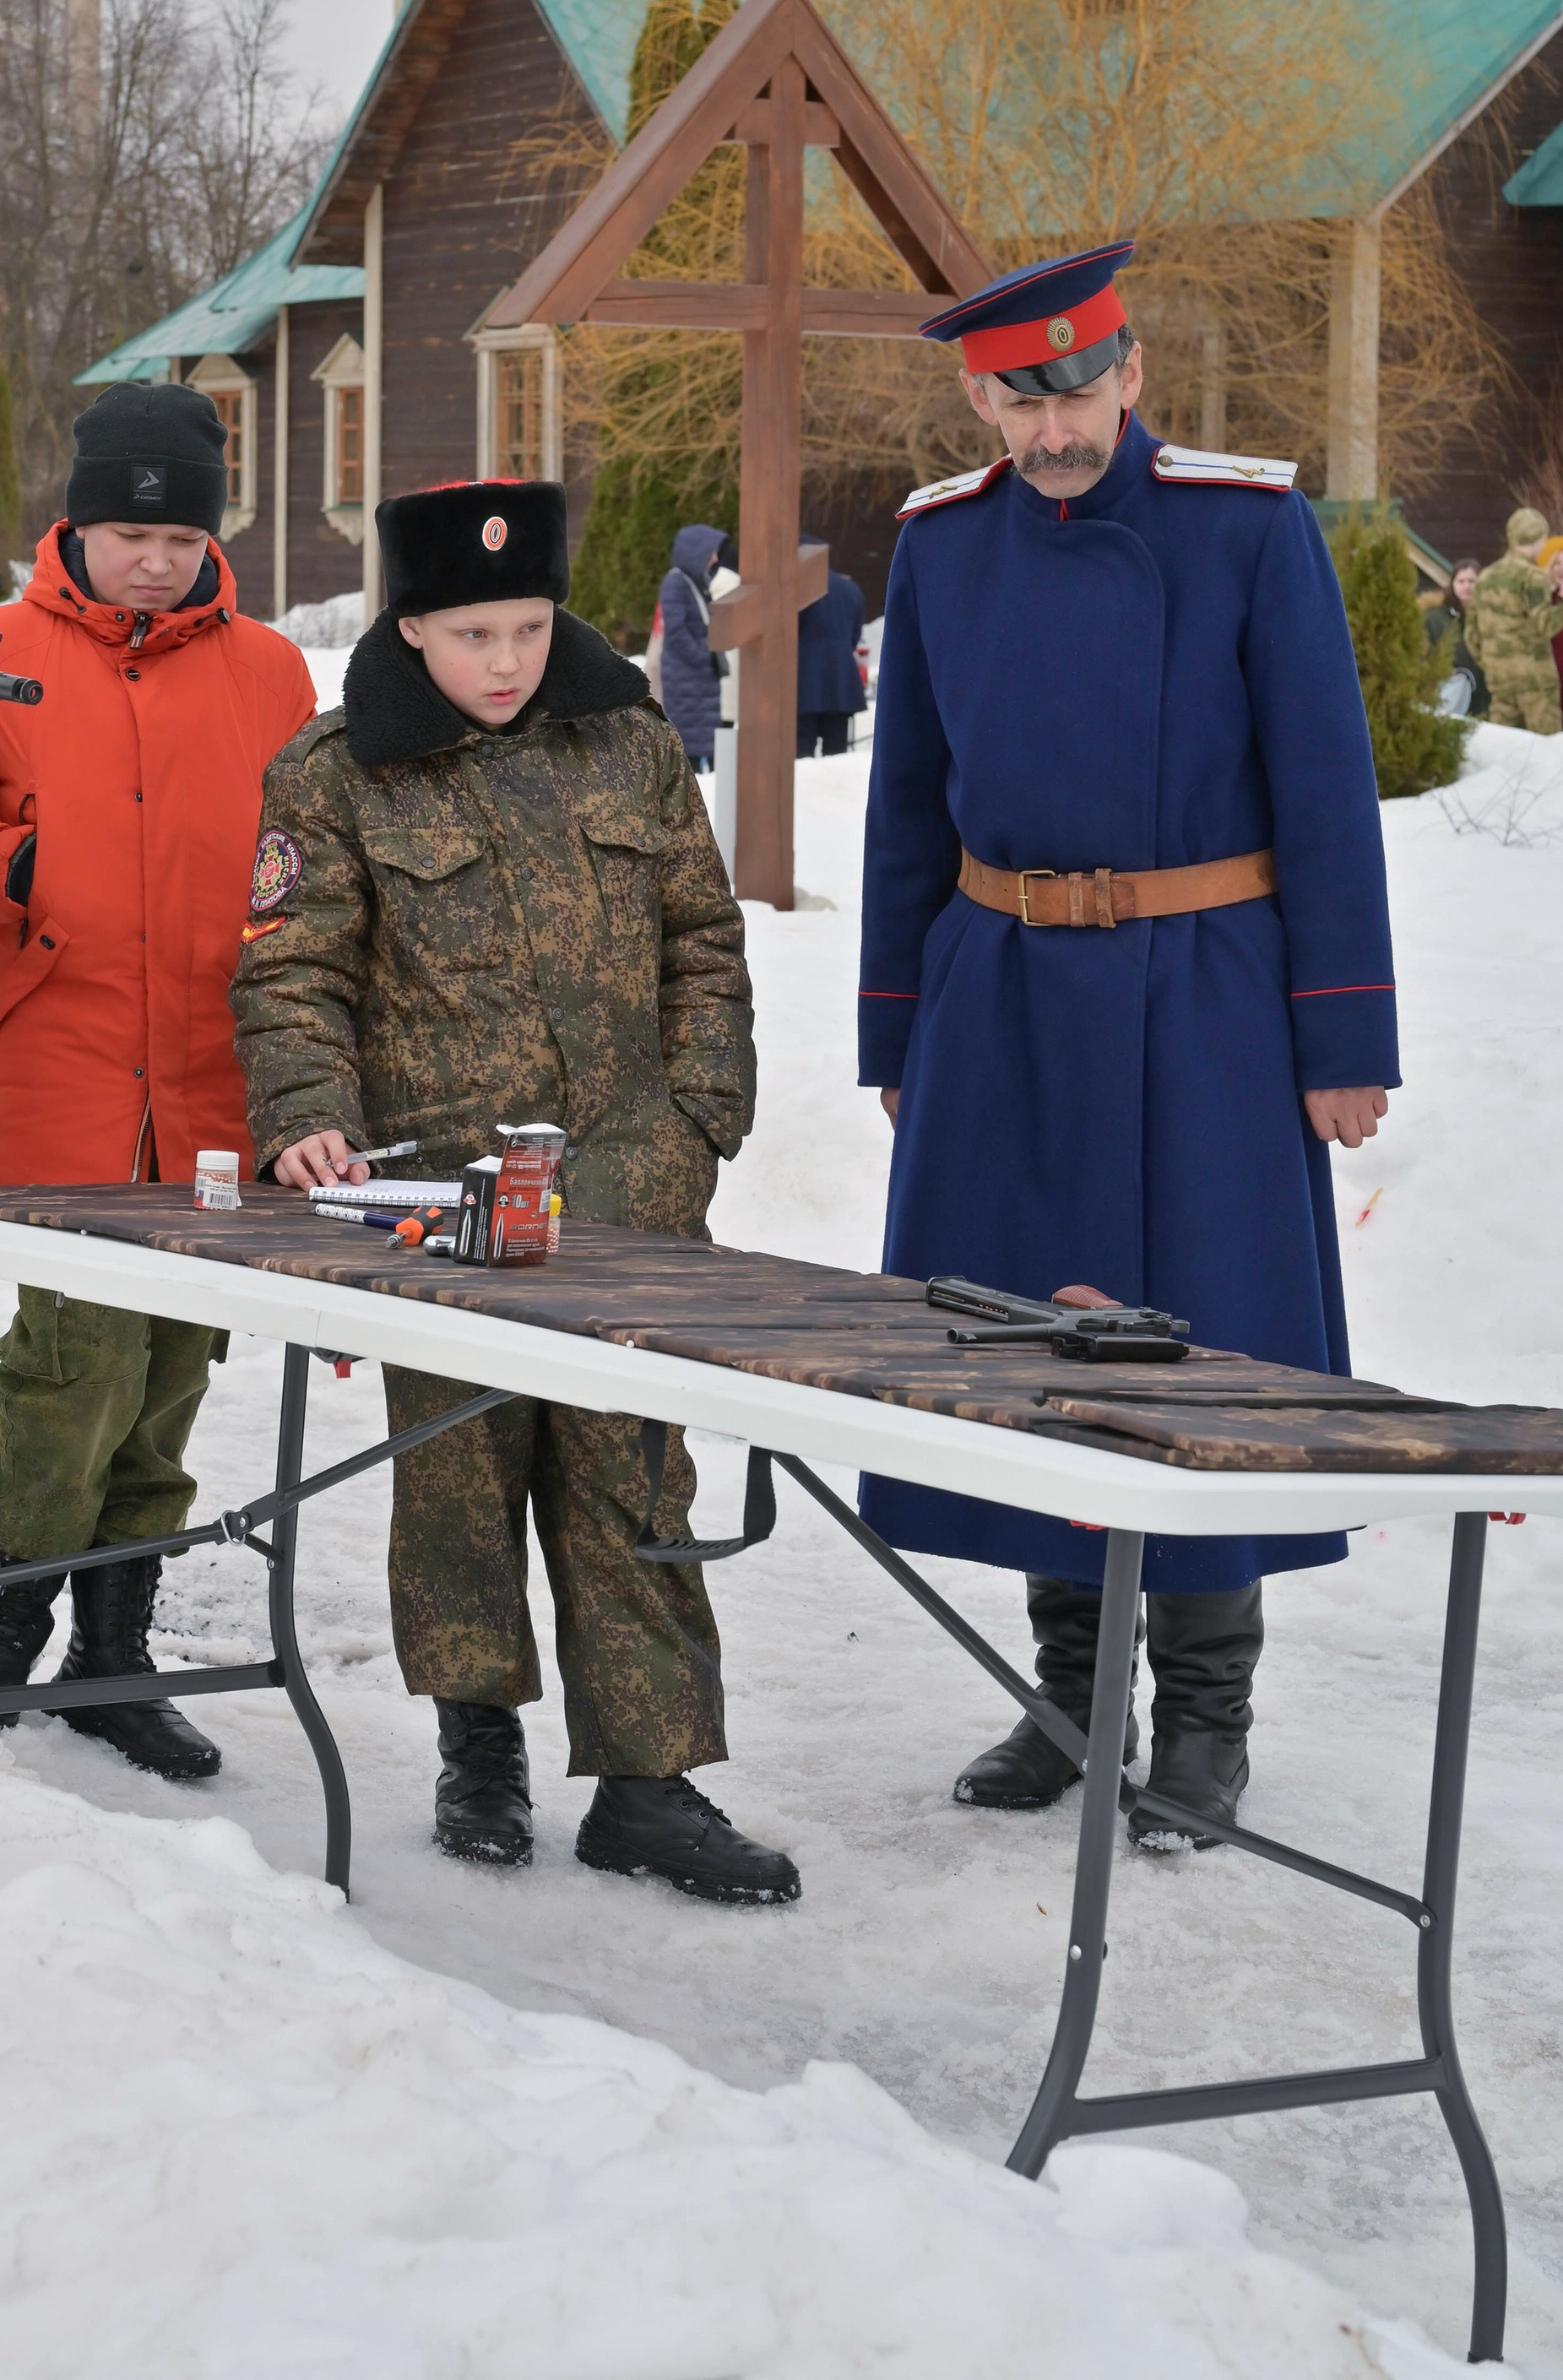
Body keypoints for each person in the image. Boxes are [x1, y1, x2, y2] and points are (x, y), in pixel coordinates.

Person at [858, 245, 1396, 1848]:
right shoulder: (943, 549)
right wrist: (898, 1020)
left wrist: (1342, 1032)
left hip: (1208, 997)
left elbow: (1326, 788)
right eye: (1020, 404)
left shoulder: (1245, 525)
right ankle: (1066, 1698)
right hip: (1004, 992)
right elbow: (904, 801)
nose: (1054, 431)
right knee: (1022, 1341)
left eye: (1078, 392)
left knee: (1207, 1347)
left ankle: (1207, 1723)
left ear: (1131, 373)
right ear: (980, 399)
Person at [232, 476, 797, 1906]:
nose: (504, 658)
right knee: (460, 1476)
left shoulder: (627, 742)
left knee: (633, 1475)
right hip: (441, 1189)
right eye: (472, 630)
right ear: (412, 626)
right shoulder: (335, 770)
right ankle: (476, 1746)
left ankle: (650, 1782)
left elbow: (702, 939)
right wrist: (309, 1117)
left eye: (529, 625)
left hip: (626, 1180)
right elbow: (295, 971)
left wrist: (697, 1121)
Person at [0, 382, 317, 1776]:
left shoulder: (271, 669)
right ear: (79, 523)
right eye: (123, 531)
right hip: (63, 1064)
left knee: (168, 1366)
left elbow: (302, 855)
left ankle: (114, 1653)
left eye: (176, 535)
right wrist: (9, 867)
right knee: (67, 1360)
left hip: (211, 1076)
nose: (152, 558)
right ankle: (1, 1624)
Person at [1463, 508, 1563, 735]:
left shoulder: (1486, 577)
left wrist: (1491, 663)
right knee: (1548, 748)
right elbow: (1547, 625)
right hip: (1535, 682)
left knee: (1503, 746)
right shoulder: (1533, 577)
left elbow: (1471, 634)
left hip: (1500, 679)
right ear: (1538, 539)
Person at [657, 523, 727, 769]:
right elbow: (676, 633)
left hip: (696, 681)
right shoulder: (676, 583)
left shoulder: (693, 583)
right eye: (711, 552)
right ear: (696, 553)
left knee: (701, 742)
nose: (715, 558)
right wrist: (704, 654)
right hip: (687, 680)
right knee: (690, 751)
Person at [795, 561, 867, 758]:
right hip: (841, 679)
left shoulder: (799, 589)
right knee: (837, 751)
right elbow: (855, 635)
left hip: (805, 680)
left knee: (802, 752)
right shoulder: (850, 589)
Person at [1424, 559, 1489, 722]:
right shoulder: (1435, 618)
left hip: (1485, 695)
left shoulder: (1490, 617)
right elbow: (1424, 650)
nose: (1466, 586)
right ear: (1452, 584)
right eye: (1461, 581)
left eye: (1472, 581)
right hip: (1450, 692)